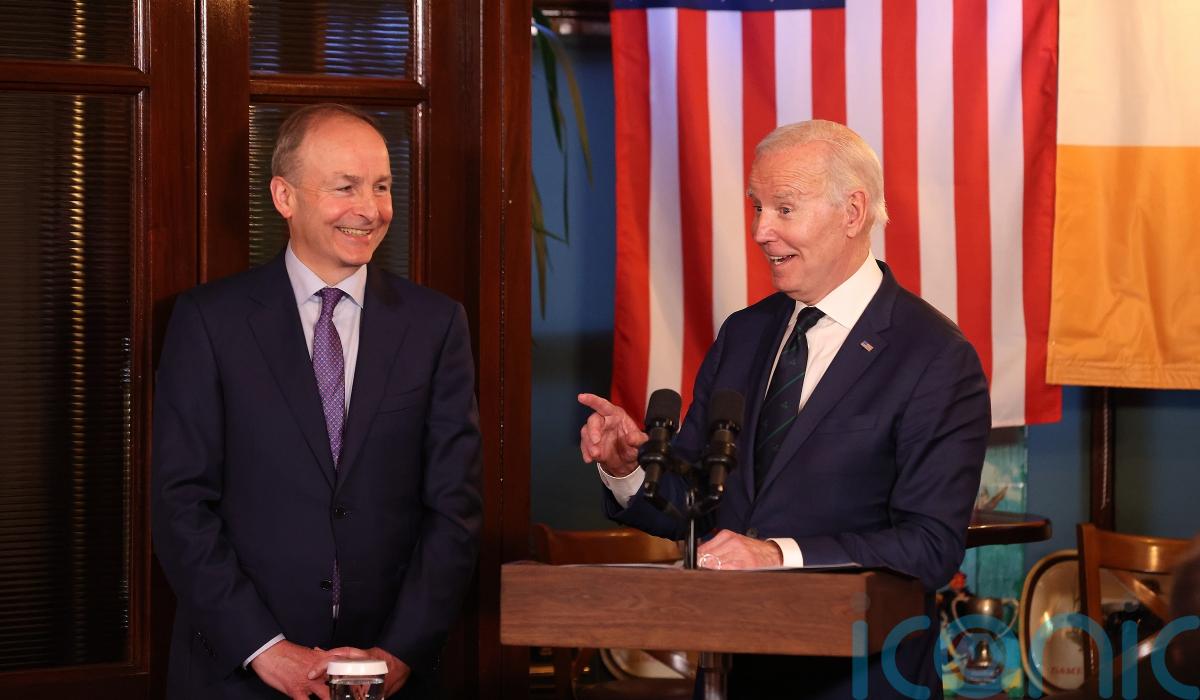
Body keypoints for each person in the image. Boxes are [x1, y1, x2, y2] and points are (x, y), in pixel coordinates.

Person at [579, 120, 991, 699]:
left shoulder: (935, 357)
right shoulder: (744, 334)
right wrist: (626, 469)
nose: (760, 231)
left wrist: (777, 555)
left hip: (859, 682)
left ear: (852, 212)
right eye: (757, 207)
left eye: (784, 209)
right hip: (732, 674)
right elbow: (694, 505)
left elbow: (929, 545)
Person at [152, 103, 482, 699]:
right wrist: (265, 650)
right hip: (239, 674)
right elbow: (181, 505)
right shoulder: (209, 322)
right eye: (345, 187)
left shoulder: (435, 325)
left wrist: (399, 653)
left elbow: (454, 511)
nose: (370, 209)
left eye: (381, 186)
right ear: (284, 196)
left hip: (389, 672)